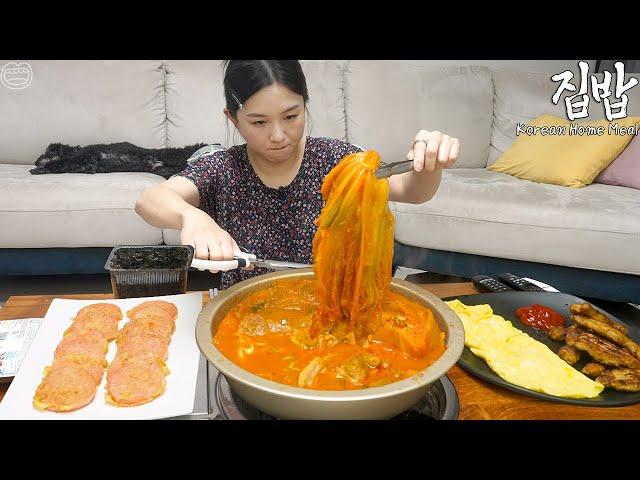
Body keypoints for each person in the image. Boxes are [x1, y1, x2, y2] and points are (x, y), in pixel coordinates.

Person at [135, 60, 460, 290]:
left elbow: (412, 190)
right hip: (248, 312)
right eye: (259, 122)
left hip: (335, 306)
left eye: (291, 116)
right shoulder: (224, 168)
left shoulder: (336, 160)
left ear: (305, 105)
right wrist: (192, 218)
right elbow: (149, 200)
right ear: (234, 120)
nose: (278, 135)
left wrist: (428, 161)